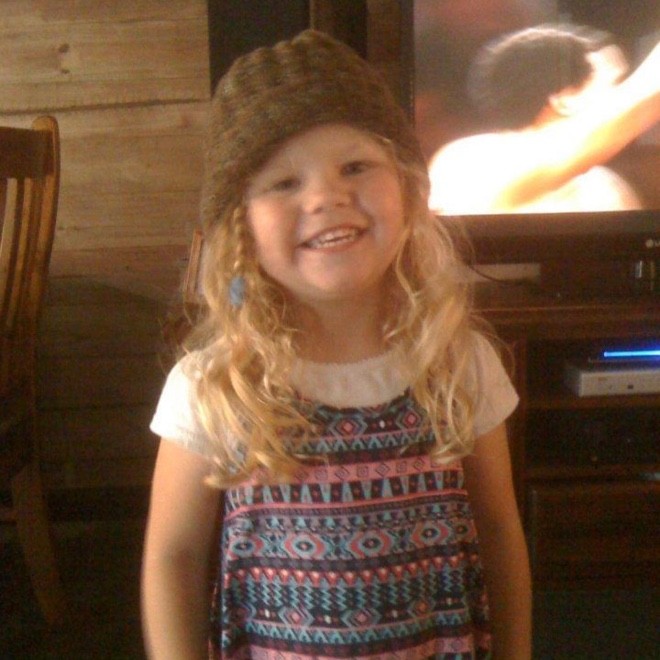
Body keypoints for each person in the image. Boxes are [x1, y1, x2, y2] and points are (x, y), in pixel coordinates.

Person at [142, 30, 531, 659]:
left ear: (407, 188)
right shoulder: (215, 383)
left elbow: (499, 531)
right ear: (241, 226)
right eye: (283, 182)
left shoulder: (459, 364)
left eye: (355, 167)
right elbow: (174, 556)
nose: (326, 197)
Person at [428, 24, 660, 214]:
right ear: (565, 98)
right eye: (611, 87)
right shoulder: (467, 162)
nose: (616, 98)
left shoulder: (605, 187)